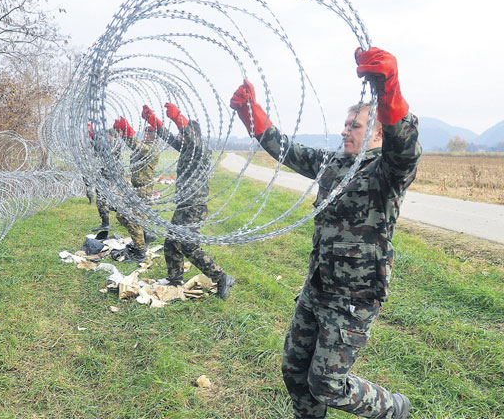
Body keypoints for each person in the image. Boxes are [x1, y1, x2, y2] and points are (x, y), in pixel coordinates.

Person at [230, 47, 420, 419]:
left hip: (354, 297)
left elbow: (406, 151)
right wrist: (252, 115)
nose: (347, 131)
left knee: (327, 385)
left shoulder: (385, 172)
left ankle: (392, 407)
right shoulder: (333, 164)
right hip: (317, 287)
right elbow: (287, 150)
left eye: (356, 126)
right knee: (294, 370)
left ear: (377, 133)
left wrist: (389, 92)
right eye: (346, 125)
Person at [141, 102, 236, 300]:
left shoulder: (200, 150)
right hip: (184, 204)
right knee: (171, 241)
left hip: (195, 206)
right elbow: (170, 137)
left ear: (194, 135)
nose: (180, 139)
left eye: (184, 135)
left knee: (188, 246)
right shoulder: (187, 149)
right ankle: (175, 280)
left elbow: (191, 139)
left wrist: (178, 118)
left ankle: (222, 277)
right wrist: (154, 121)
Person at [111, 116, 160, 262]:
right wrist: (123, 133)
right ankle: (145, 235)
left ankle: (140, 252)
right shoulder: (144, 146)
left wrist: (126, 130)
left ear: (154, 135)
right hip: (136, 189)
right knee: (121, 215)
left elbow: (138, 147)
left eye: (148, 132)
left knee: (131, 218)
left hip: (144, 191)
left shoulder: (152, 149)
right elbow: (135, 146)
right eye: (145, 131)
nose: (145, 134)